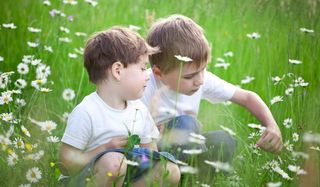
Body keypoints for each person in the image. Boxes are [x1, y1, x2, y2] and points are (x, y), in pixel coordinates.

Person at [141, 14, 283, 165]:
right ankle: (174, 176)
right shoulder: (143, 88)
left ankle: (194, 177)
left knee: (224, 141)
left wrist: (271, 125)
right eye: (189, 77)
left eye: (203, 69)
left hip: (188, 152)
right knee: (186, 123)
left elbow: (247, 97)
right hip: (152, 158)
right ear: (158, 73)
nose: (200, 80)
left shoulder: (201, 79)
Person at [59, 26, 180, 187]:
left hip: (129, 174)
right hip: (88, 178)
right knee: (114, 163)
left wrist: (145, 157)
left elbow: (150, 153)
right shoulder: (87, 111)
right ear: (117, 71)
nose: (148, 76)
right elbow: (65, 164)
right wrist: (104, 148)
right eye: (143, 68)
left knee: (169, 170)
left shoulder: (139, 110)